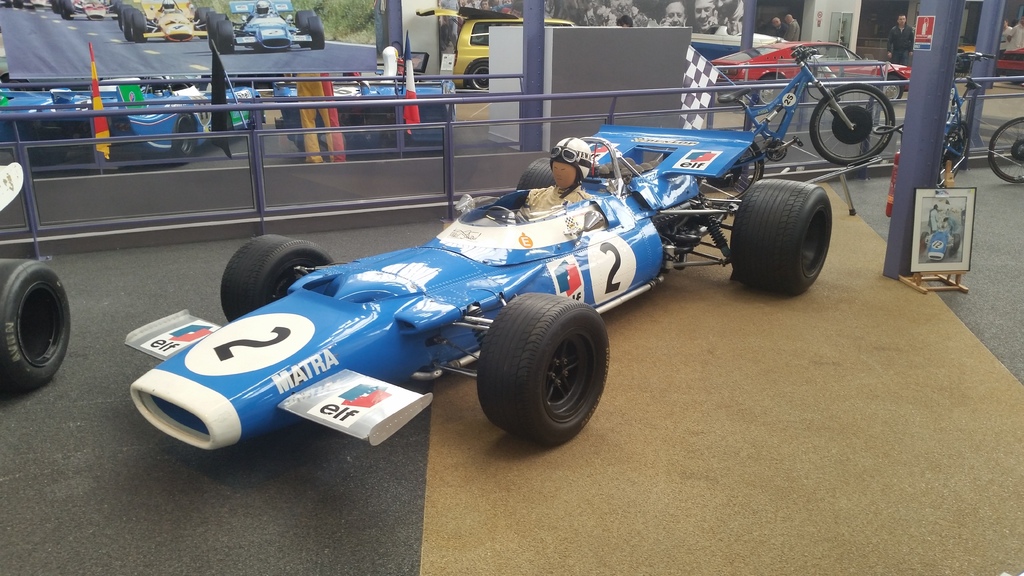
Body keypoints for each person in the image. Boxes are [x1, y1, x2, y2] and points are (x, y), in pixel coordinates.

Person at [521, 138, 594, 220]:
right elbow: (519, 220)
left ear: (580, 172)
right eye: (555, 168)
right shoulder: (535, 196)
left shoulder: (586, 204)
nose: (559, 173)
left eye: (563, 170)